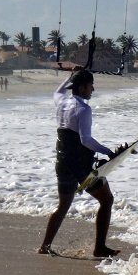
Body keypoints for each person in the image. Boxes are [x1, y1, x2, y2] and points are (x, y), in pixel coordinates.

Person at [39, 68, 120, 258]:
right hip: (80, 166)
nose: (93, 89)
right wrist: (108, 152)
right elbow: (85, 140)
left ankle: (45, 246)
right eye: (91, 86)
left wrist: (71, 76)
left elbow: (58, 91)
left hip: (63, 162)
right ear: (83, 87)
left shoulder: (61, 102)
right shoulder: (83, 109)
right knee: (107, 200)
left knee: (63, 206)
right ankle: (100, 247)